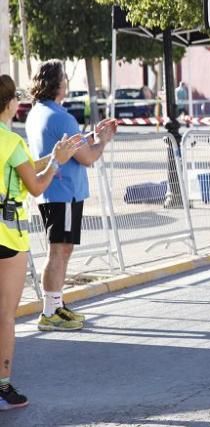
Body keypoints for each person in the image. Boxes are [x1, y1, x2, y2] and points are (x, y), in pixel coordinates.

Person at [0, 75, 84, 410]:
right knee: (5, 316)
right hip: (7, 235)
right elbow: (35, 186)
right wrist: (57, 163)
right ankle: (3, 386)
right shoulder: (10, 141)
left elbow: (22, 169)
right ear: (9, 104)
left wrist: (51, 156)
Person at [25, 60, 119, 332]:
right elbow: (87, 157)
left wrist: (92, 135)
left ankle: (55, 305)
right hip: (65, 191)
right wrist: (103, 140)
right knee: (59, 251)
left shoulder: (38, 113)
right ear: (58, 83)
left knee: (61, 249)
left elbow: (71, 144)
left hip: (53, 191)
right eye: (65, 77)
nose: (67, 82)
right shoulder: (62, 117)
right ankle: (50, 311)